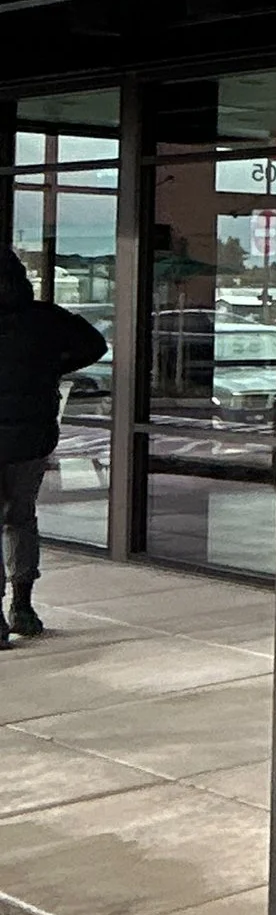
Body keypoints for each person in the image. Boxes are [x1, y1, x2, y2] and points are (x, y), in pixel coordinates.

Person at [0, 252, 108, 639]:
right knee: (21, 518)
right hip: (31, 439)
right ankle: (22, 606)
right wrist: (49, 366)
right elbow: (96, 344)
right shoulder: (44, 318)